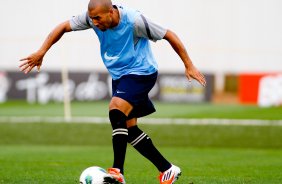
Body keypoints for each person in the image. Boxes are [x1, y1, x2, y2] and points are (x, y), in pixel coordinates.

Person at [19, 0, 206, 183]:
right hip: (119, 77)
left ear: (111, 12)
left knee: (115, 109)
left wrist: (189, 65)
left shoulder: (135, 21)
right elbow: (62, 27)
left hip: (141, 73)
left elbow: (169, 34)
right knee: (128, 129)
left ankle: (117, 171)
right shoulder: (92, 18)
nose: (94, 23)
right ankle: (167, 169)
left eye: (98, 18)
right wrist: (41, 51)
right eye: (92, 19)